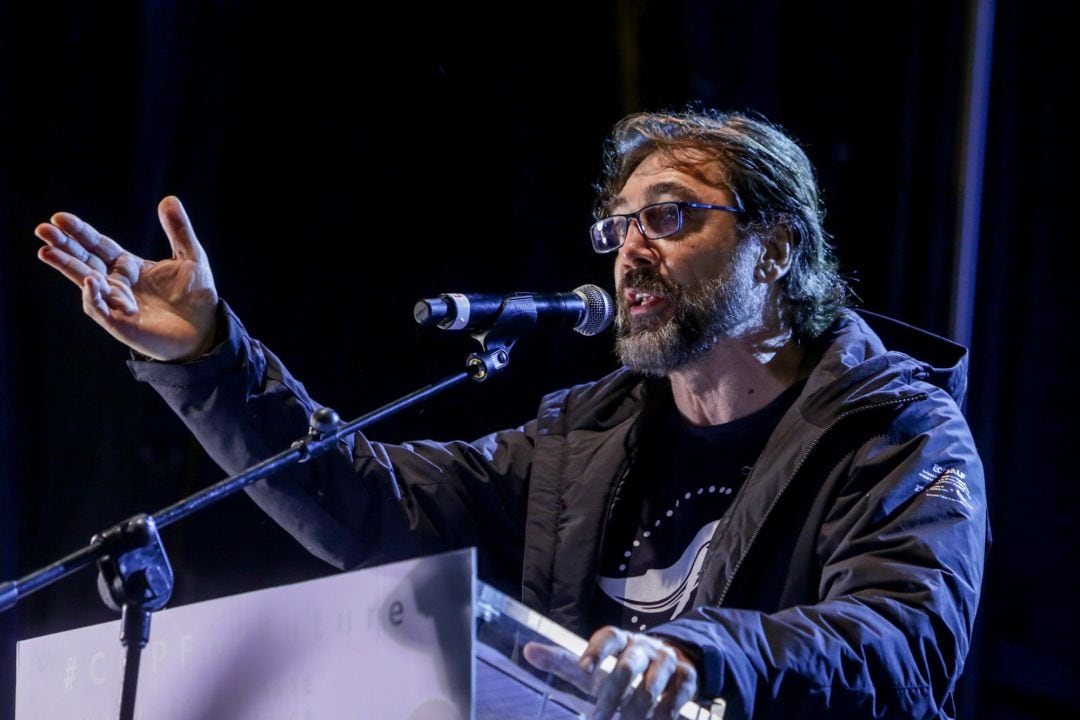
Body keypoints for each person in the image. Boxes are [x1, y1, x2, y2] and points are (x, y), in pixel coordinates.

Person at [35, 110, 988, 719]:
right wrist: (209, 356)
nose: (629, 251)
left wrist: (702, 656)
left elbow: (900, 642)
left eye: (668, 217)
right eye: (617, 228)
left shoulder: (894, 432)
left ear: (775, 249)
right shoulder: (585, 438)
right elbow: (367, 504)